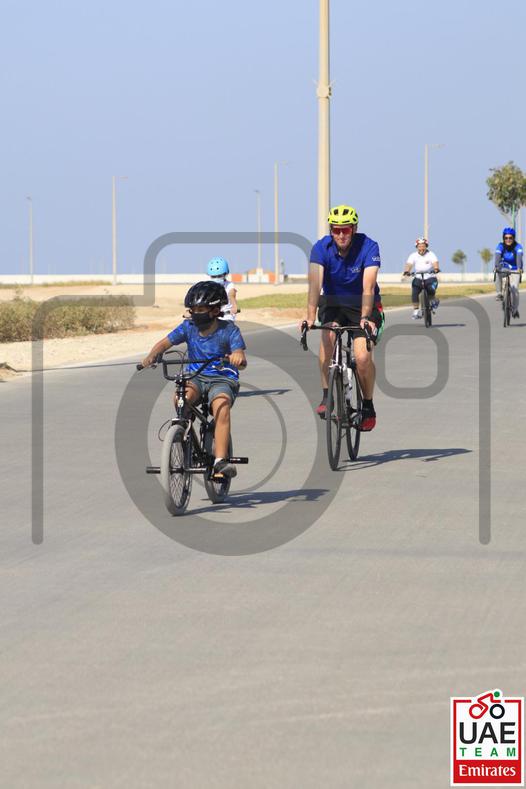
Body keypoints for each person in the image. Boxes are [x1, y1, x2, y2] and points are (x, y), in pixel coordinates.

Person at [142, 280, 247, 479]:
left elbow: (240, 355)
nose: (196, 313)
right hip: (195, 377)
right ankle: (183, 433)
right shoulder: (188, 327)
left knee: (221, 406)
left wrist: (237, 357)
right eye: (193, 309)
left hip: (222, 378)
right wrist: (152, 355)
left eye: (201, 309)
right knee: (180, 399)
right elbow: (164, 343)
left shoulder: (229, 330)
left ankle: (220, 461)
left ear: (215, 310)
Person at [301, 204, 384, 432]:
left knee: (362, 357)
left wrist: (365, 317)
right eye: (336, 230)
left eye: (345, 230)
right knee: (327, 337)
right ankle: (326, 395)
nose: (340, 235)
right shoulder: (321, 248)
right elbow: (315, 285)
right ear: (331, 230)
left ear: (354, 229)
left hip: (363, 304)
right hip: (334, 304)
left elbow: (368, 287)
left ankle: (368, 405)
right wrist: (310, 318)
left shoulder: (369, 246)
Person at [403, 238, 440, 319]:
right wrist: (407, 271)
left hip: (430, 277)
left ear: (426, 246)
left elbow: (435, 263)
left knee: (431, 289)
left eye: (423, 246)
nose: (421, 248)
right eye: (419, 246)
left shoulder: (431, 254)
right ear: (417, 247)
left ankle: (433, 300)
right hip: (418, 277)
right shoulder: (413, 255)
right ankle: (416, 311)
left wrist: (436, 268)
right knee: (414, 292)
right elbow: (409, 264)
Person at [494, 227, 523, 318]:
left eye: (510, 238)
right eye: (506, 238)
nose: (508, 240)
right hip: (504, 268)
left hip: (515, 269)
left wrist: (519, 268)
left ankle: (515, 310)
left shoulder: (518, 247)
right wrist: (496, 267)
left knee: (515, 290)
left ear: (513, 238)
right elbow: (497, 256)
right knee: (497, 273)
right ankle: (499, 293)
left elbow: (519, 257)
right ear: (503, 238)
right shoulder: (500, 246)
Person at [207, 256, 238, 321]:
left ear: (225, 274)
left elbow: (231, 294)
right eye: (213, 276)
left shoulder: (229, 285)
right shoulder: (208, 285)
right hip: (212, 317)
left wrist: (234, 306)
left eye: (219, 276)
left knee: (228, 326)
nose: (216, 278)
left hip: (226, 316)